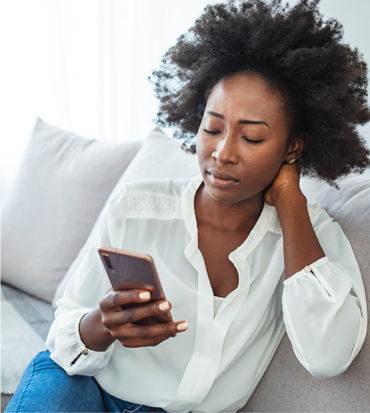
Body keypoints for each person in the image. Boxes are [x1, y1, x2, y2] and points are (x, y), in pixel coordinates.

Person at [6, 0, 370, 412]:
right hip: (85, 388)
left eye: (251, 138)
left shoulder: (310, 236)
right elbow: (66, 331)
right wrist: (103, 325)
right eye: (212, 128)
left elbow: (328, 357)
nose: (222, 153)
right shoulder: (137, 207)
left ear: (293, 147)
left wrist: (289, 200)